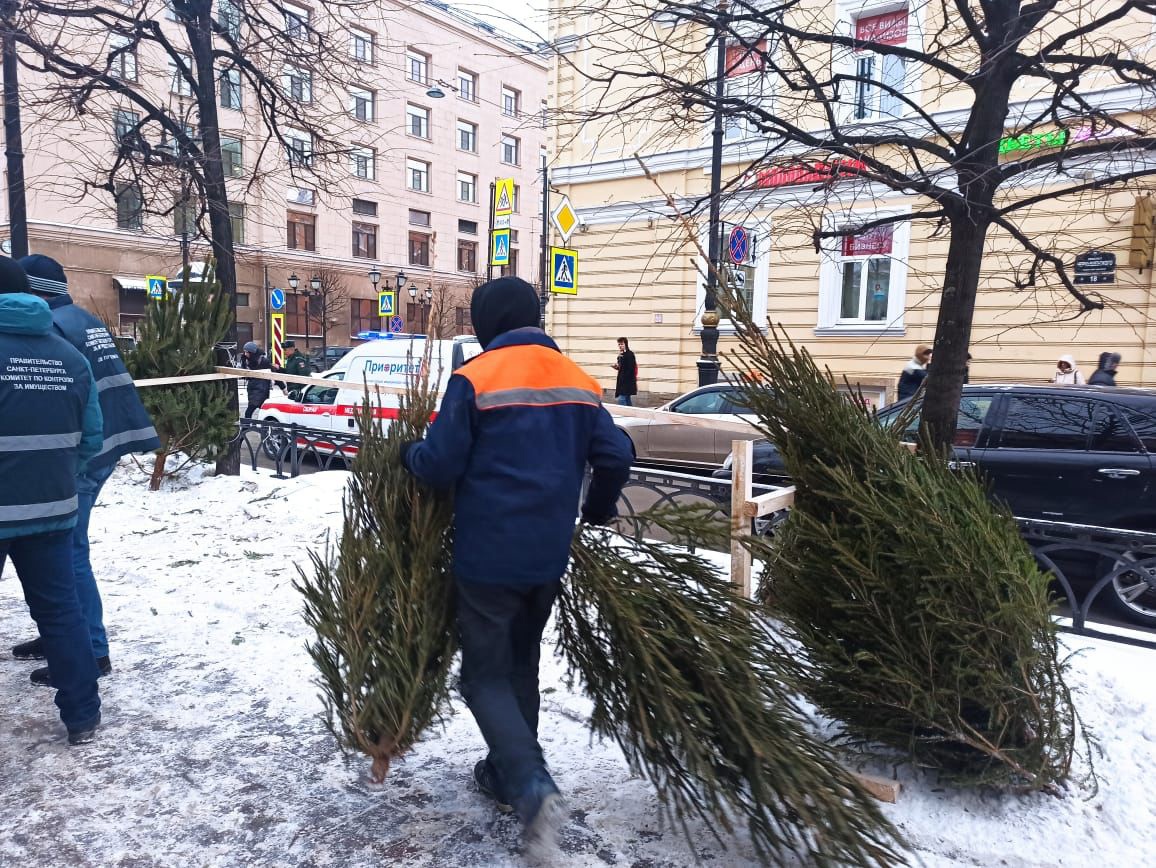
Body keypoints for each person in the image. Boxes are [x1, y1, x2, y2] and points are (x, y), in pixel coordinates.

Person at [402, 277, 632, 855]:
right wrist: (598, 510)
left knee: (482, 677)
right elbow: (617, 456)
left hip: (488, 556)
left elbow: (439, 464)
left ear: (486, 323)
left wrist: (408, 454)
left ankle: (532, 785)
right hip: (547, 557)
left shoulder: (475, 378)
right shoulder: (578, 381)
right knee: (521, 662)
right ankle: (507, 775)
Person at [10, 255, 160, 688]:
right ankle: (61, 637)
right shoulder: (81, 319)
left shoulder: (53, 328)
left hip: (82, 455)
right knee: (62, 552)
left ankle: (89, 651)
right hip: (104, 446)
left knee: (66, 553)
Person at [0, 256, 104, 744]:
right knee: (61, 612)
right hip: (54, 507)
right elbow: (91, 438)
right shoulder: (69, 356)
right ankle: (82, 715)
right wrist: (57, 477)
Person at [241, 340, 271, 418]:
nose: (245, 354)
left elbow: (273, 374)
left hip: (261, 390)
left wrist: (283, 387)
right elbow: (245, 374)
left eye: (247, 352)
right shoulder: (247, 360)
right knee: (254, 411)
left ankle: (247, 428)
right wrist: (243, 362)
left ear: (252, 352)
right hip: (253, 390)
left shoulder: (263, 361)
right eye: (244, 352)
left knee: (250, 412)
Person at [612, 337, 638, 406]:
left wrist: (625, 378)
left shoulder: (630, 354)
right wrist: (616, 367)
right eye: (619, 344)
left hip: (627, 382)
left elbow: (631, 369)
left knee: (621, 399)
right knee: (627, 399)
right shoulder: (621, 354)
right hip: (622, 381)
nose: (620, 346)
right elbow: (622, 367)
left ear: (626, 344)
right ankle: (630, 414)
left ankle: (624, 414)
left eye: (622, 344)